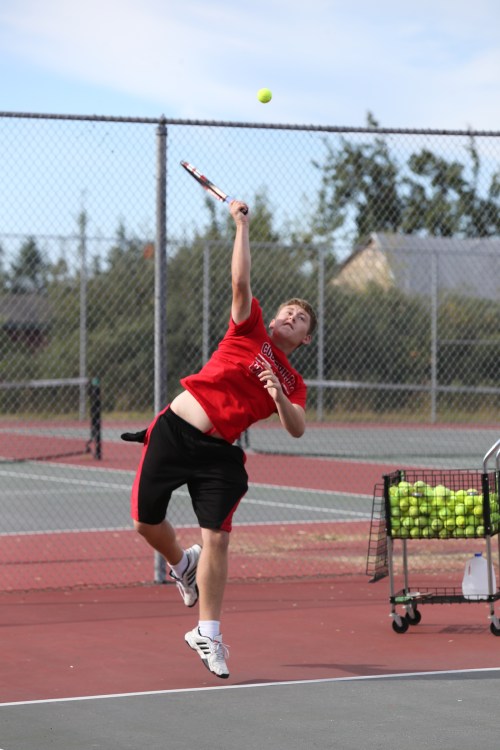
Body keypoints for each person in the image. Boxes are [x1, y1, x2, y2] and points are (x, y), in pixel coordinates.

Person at [126, 199, 316, 679]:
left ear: (306, 338)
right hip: (174, 430)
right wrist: (241, 226)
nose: (291, 316)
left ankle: (207, 632)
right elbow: (239, 281)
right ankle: (180, 563)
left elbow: (297, 428)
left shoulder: (293, 381)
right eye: (288, 310)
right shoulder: (249, 327)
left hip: (218, 454)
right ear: (271, 319)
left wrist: (277, 397)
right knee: (145, 524)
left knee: (219, 540)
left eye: (301, 318)